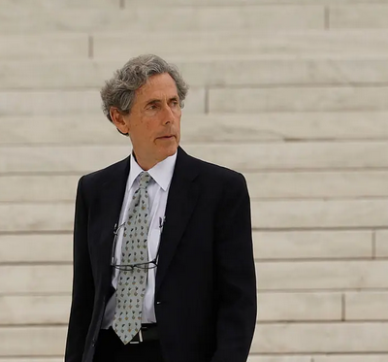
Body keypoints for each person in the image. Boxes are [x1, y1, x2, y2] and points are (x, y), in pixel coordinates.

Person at [64, 54, 257, 362]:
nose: (169, 117)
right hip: (108, 350)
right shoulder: (94, 190)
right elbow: (84, 301)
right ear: (120, 119)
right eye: (154, 106)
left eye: (174, 103)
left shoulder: (221, 190)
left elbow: (239, 302)